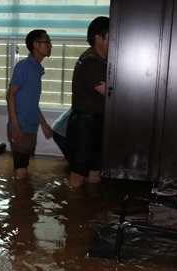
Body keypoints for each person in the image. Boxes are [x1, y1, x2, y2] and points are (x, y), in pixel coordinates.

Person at [66, 16, 110, 188]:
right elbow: (108, 92)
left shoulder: (102, 60)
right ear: (99, 38)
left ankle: (89, 204)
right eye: (111, 37)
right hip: (85, 125)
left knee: (95, 173)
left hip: (96, 123)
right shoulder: (90, 61)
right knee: (78, 175)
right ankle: (73, 205)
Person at [6, 29, 54, 179]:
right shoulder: (24, 66)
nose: (50, 46)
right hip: (21, 128)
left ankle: (19, 192)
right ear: (36, 45)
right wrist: (15, 125)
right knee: (20, 172)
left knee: (23, 170)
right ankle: (16, 194)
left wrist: (43, 124)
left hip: (30, 127)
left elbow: (31, 102)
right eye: (47, 42)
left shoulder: (37, 69)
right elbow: (10, 95)